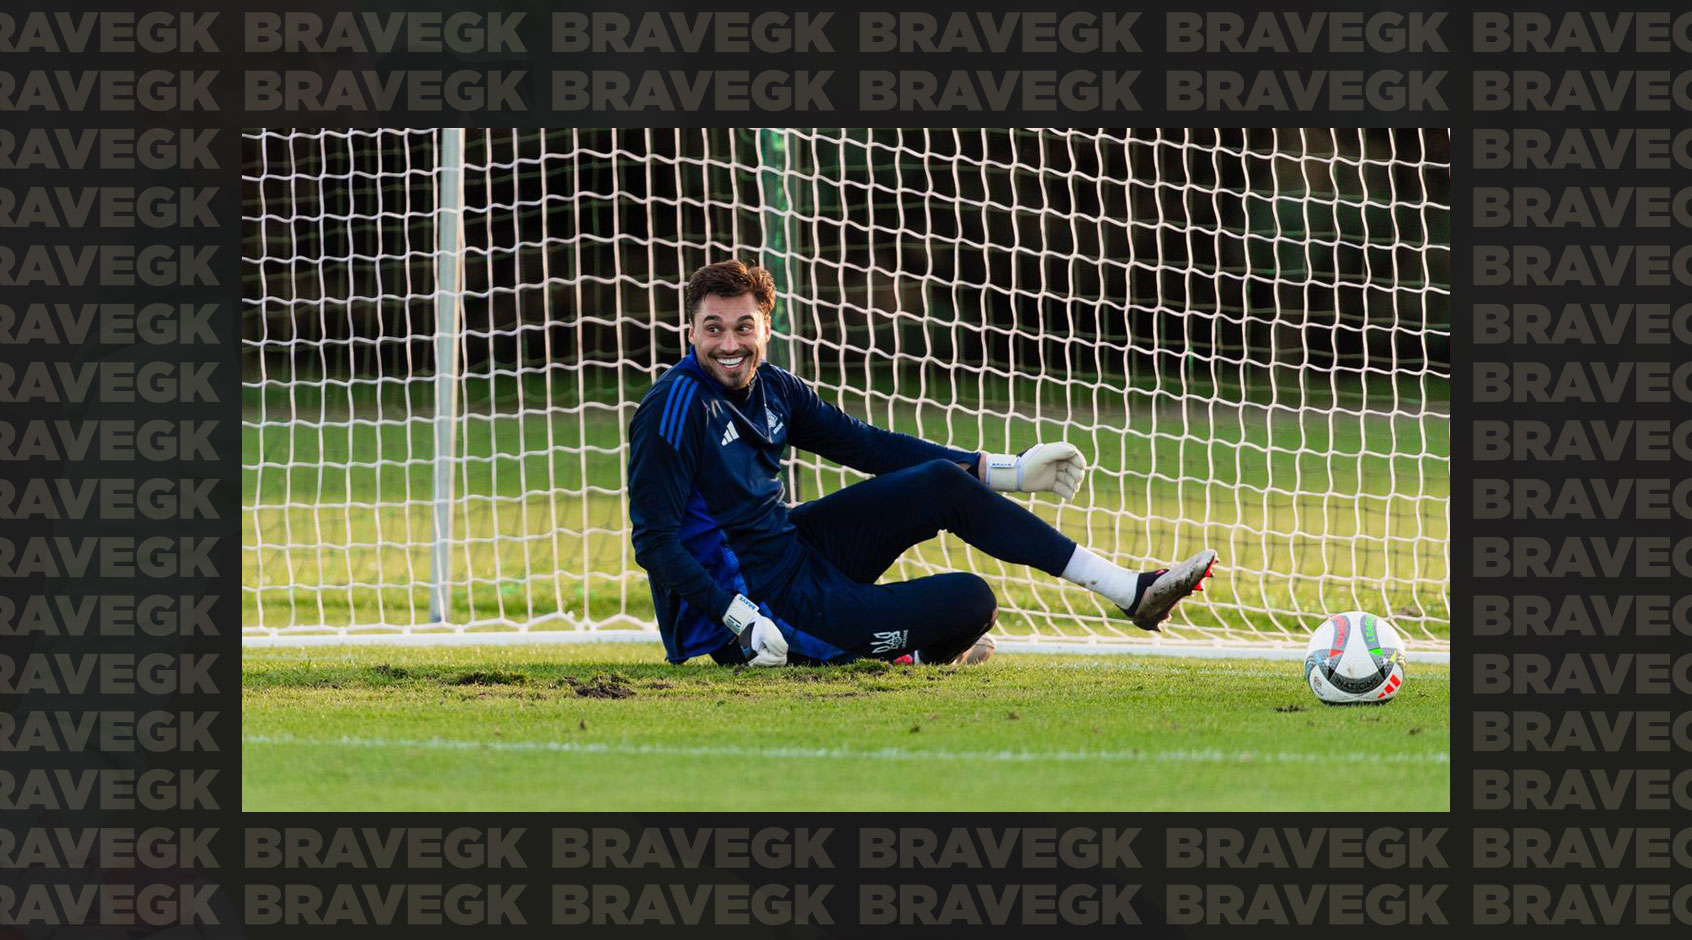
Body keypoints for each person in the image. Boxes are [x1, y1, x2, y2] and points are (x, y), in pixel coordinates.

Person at [628, 259, 1216, 667]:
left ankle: (1131, 590)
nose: (729, 343)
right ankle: (870, 648)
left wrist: (1005, 471)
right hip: (754, 607)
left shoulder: (775, 386)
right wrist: (739, 620)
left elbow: (873, 447)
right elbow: (654, 542)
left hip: (794, 549)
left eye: (743, 327)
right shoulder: (674, 409)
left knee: (935, 482)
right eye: (713, 329)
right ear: (690, 331)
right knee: (972, 602)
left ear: (766, 330)